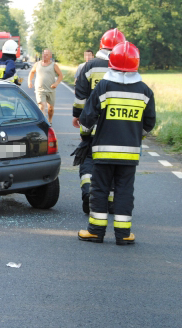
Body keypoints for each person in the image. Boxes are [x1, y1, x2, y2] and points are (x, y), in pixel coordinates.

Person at [77, 42, 156, 246]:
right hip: (129, 154)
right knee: (124, 191)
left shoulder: (104, 86)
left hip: (103, 151)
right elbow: (149, 124)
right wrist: (136, 136)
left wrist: (86, 136)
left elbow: (87, 118)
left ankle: (95, 232)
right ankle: (123, 235)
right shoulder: (145, 91)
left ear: (111, 62)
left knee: (100, 189)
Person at [72, 29, 126, 213]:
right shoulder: (125, 67)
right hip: (118, 125)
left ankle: (88, 190)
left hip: (92, 122)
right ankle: (109, 201)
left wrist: (77, 116)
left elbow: (80, 95)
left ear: (100, 46)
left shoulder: (90, 65)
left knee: (88, 157)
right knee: (112, 163)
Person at [28, 49, 63, 125]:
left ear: (50, 56)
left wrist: (56, 83)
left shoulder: (54, 65)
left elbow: (60, 75)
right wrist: (29, 81)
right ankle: (43, 123)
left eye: (47, 54)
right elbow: (32, 72)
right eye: (44, 54)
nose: (44, 55)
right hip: (40, 89)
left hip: (51, 90)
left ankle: (50, 120)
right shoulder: (37, 64)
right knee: (42, 106)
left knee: (50, 109)